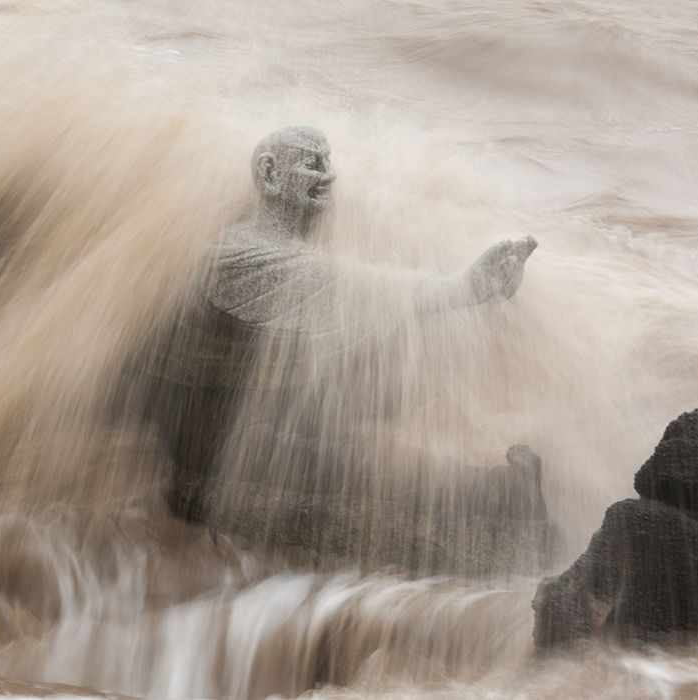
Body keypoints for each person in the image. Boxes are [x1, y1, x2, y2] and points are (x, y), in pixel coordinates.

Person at [133, 125, 538, 525]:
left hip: (256, 417)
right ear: (271, 174)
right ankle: (491, 495)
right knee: (356, 462)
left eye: (328, 162)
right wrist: (462, 288)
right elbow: (347, 288)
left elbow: (343, 295)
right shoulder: (236, 255)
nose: (329, 176)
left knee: (382, 396)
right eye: (312, 164)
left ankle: (492, 492)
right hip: (216, 448)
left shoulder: (287, 251)